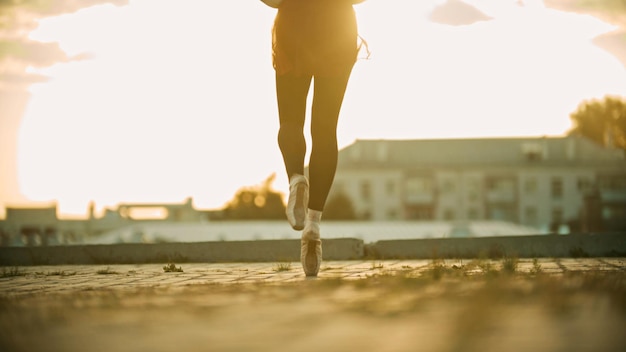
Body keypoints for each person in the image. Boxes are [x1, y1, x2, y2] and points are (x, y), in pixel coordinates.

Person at [261, 0, 366, 276]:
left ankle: (296, 179)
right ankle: (313, 226)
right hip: (338, 27)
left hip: (295, 26)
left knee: (291, 121)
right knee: (325, 130)